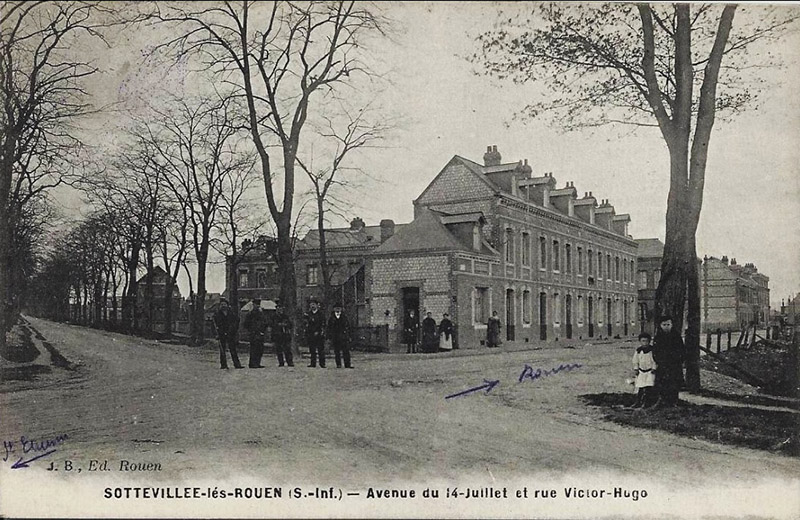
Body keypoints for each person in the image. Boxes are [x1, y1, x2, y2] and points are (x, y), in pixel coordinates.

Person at [652, 315, 685, 407]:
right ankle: (662, 400)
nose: (666, 327)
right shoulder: (658, 337)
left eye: (668, 324)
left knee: (674, 383)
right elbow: (655, 351)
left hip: (674, 364)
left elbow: (682, 350)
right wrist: (658, 360)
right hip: (663, 364)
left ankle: (673, 401)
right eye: (664, 325)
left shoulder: (676, 336)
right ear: (660, 325)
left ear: (672, 325)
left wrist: (678, 360)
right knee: (662, 382)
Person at [213, 298, 242, 369]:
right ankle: (223, 364)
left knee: (233, 349)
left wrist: (234, 330)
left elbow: (237, 321)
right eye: (222, 304)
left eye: (224, 304)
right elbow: (213, 325)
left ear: (227, 305)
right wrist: (216, 334)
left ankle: (237, 364)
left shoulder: (231, 313)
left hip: (230, 333)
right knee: (222, 350)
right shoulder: (217, 315)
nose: (223, 306)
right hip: (221, 333)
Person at [631, 332, 657, 408]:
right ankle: (638, 402)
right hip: (641, 371)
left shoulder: (652, 350)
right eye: (643, 341)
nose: (645, 343)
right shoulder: (638, 351)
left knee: (648, 387)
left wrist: (654, 368)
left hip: (650, 372)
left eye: (647, 341)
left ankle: (647, 403)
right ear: (640, 341)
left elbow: (654, 360)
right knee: (640, 387)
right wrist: (636, 368)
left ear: (649, 341)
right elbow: (635, 360)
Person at [327, 304, 353, 368]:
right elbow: (329, 328)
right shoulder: (331, 318)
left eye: (339, 308)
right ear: (334, 309)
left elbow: (348, 326)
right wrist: (329, 336)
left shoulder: (344, 317)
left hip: (343, 336)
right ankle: (338, 364)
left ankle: (347, 364)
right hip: (335, 336)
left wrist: (348, 335)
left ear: (341, 309)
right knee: (337, 351)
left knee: (346, 351)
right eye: (336, 308)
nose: (338, 309)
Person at [305, 300, 326, 368]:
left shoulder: (321, 314)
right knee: (312, 349)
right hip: (311, 334)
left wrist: (319, 331)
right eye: (311, 304)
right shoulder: (308, 314)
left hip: (319, 334)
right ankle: (313, 363)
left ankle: (322, 363)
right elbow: (306, 324)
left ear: (317, 305)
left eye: (313, 304)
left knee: (320, 349)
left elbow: (323, 324)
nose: (312, 306)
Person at [272, 302, 294, 367]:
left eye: (281, 308)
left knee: (287, 349)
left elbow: (290, 324)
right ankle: (281, 362)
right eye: (278, 308)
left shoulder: (286, 316)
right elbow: (272, 324)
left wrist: (286, 325)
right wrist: (278, 325)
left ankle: (289, 362)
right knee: (279, 349)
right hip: (277, 335)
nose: (280, 310)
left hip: (285, 335)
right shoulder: (274, 317)